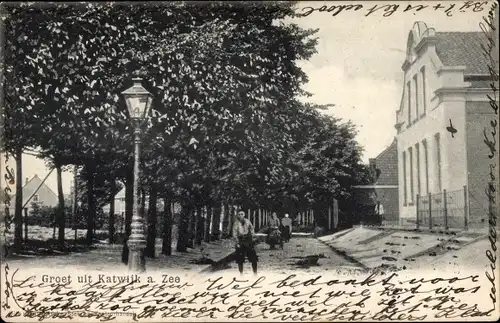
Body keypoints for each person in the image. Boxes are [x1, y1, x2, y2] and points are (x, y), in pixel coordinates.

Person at [232, 210, 258, 275]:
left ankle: (255, 273)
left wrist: (252, 235)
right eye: (239, 214)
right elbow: (234, 233)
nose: (240, 215)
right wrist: (237, 242)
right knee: (239, 258)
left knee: (253, 256)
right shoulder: (236, 223)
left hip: (248, 240)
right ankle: (241, 273)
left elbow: (252, 228)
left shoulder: (247, 221)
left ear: (244, 215)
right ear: (238, 215)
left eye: (242, 214)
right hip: (240, 240)